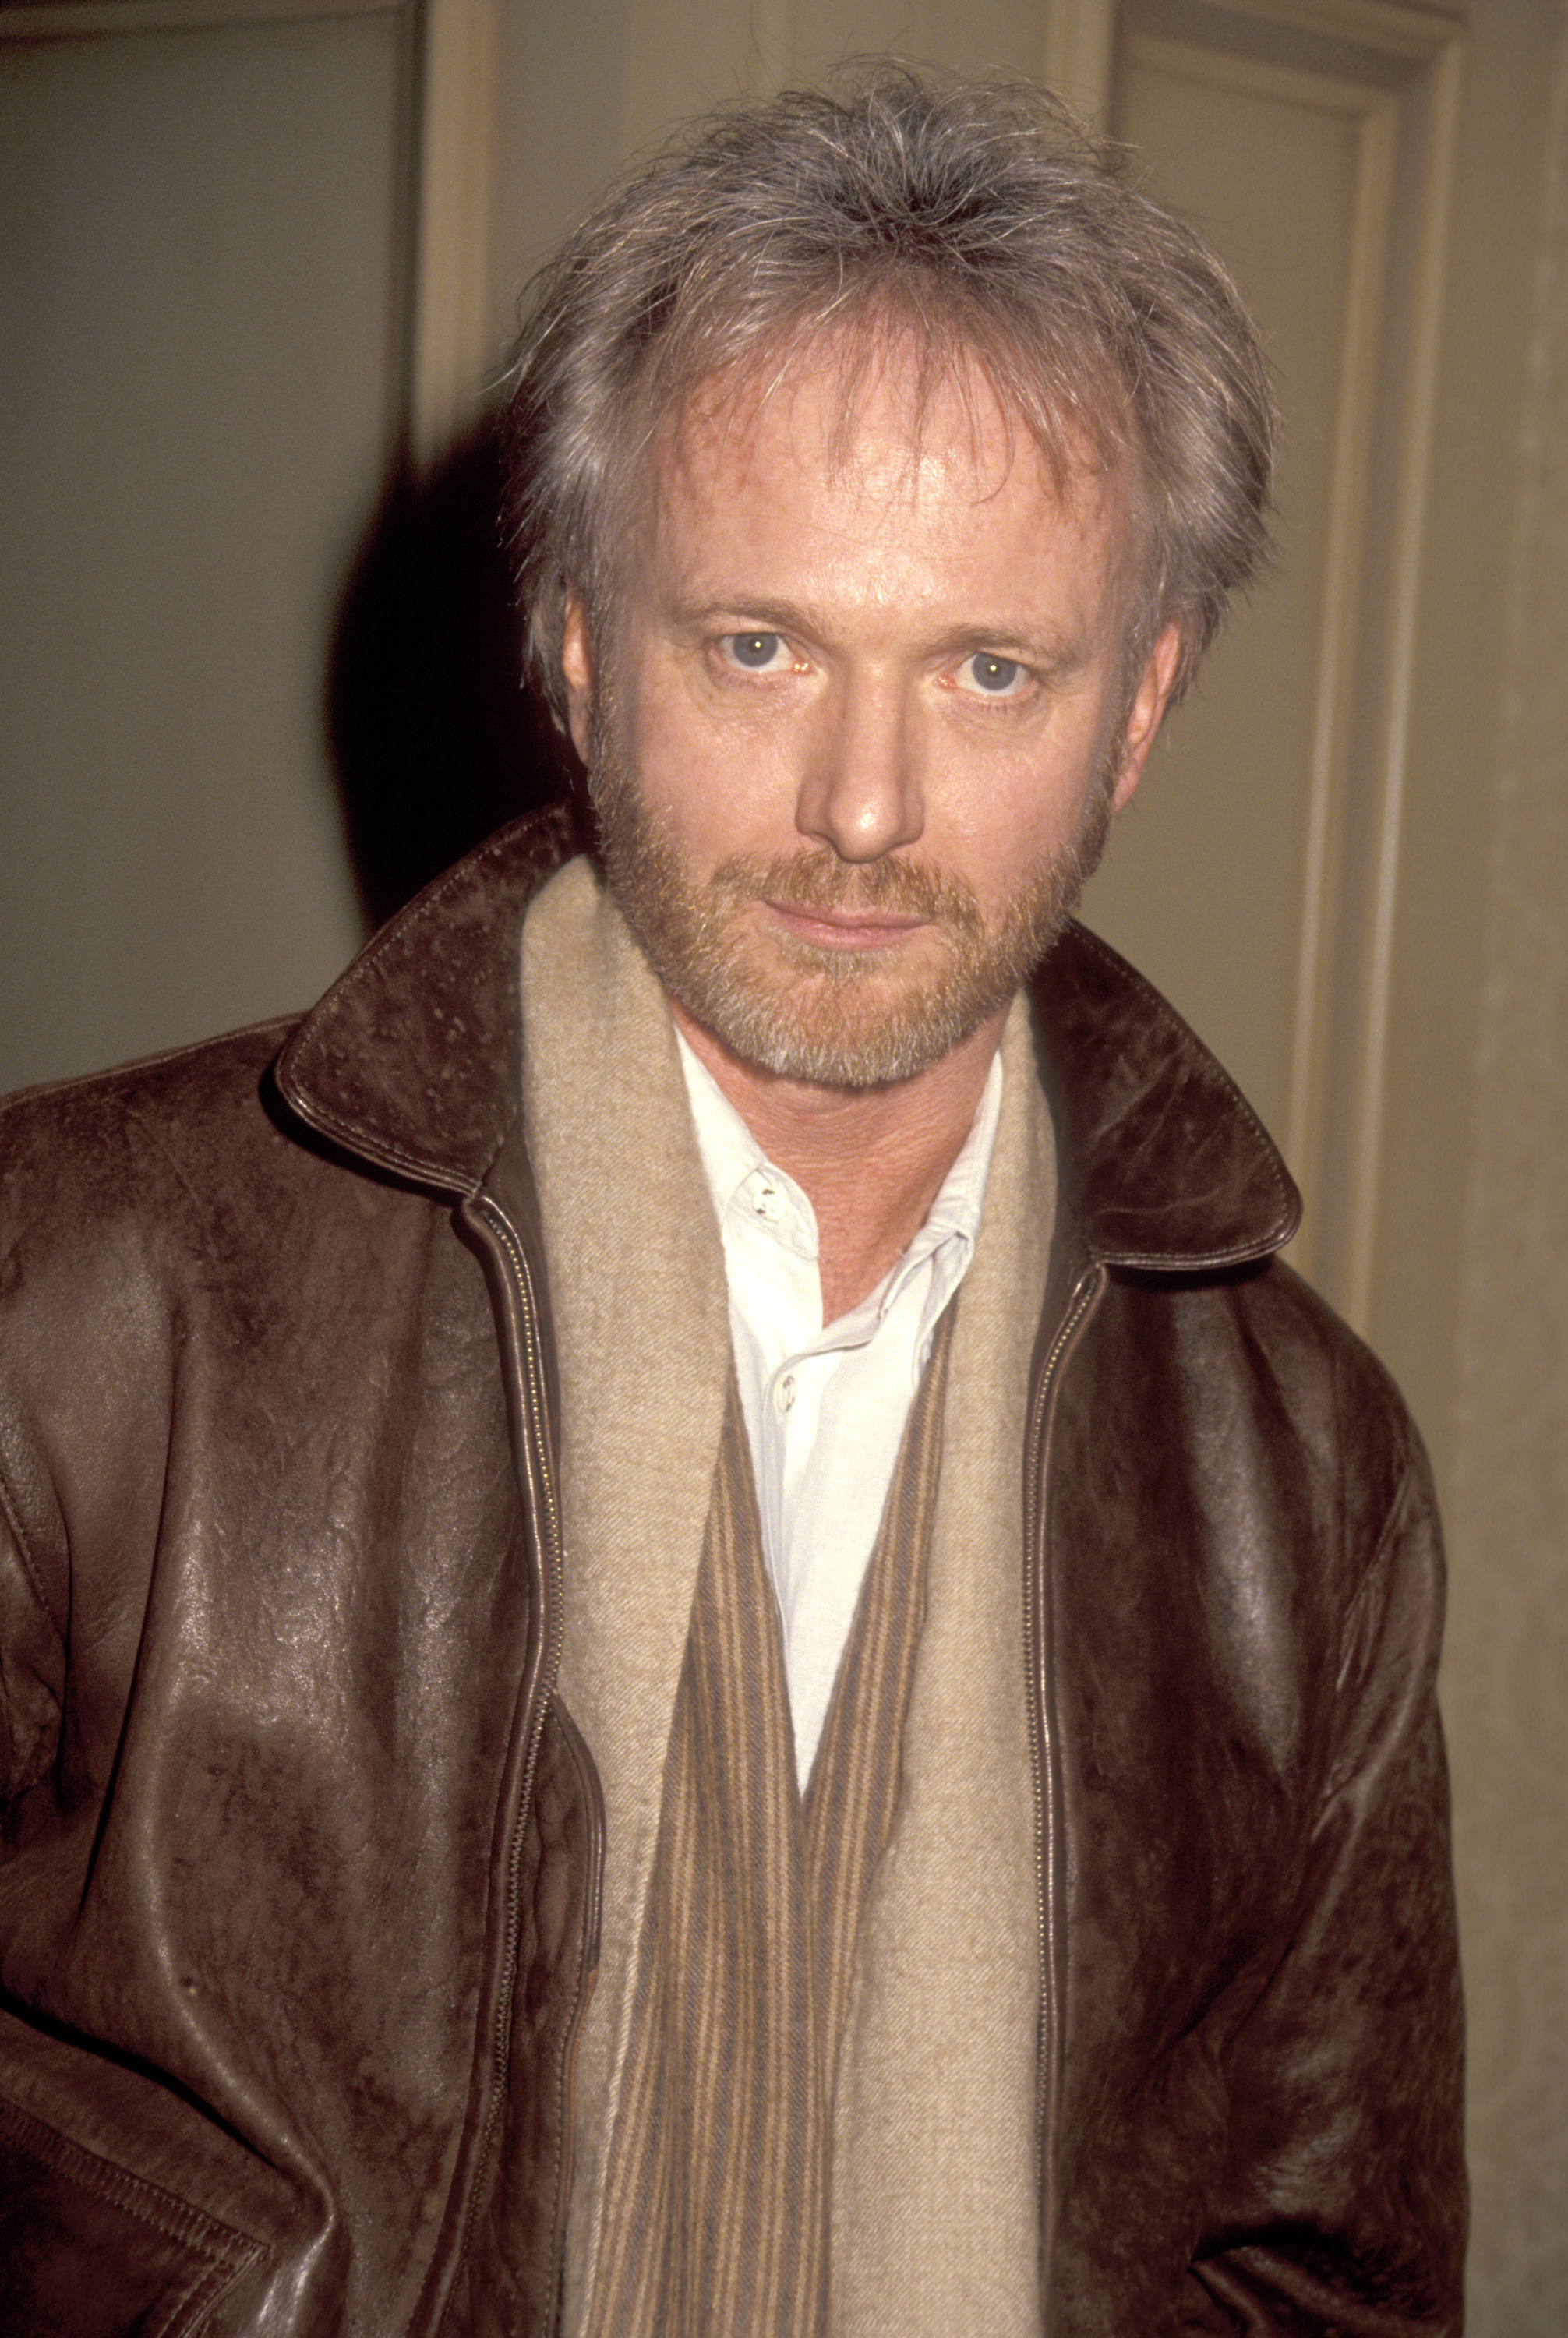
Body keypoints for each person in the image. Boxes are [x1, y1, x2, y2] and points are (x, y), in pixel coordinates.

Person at [0, 65, 1464, 2338]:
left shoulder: (1310, 1477)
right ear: (577, 647)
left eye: (990, 670)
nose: (866, 807)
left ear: (1140, 707)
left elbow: (1324, 2275)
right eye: (757, 645)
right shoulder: (85, 1302)